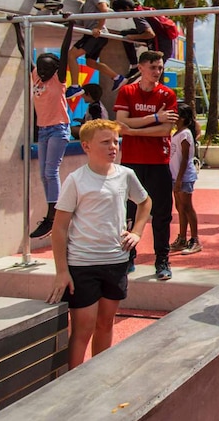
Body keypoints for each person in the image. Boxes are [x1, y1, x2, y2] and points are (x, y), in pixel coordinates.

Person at [46, 119, 151, 369]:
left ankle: (97, 377)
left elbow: (145, 203)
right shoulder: (76, 179)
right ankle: (72, 383)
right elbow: (59, 228)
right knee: (83, 328)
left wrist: (136, 232)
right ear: (86, 146)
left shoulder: (126, 175)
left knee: (105, 324)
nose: (113, 147)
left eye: (116, 141)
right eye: (105, 142)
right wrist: (62, 271)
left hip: (115, 261)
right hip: (82, 264)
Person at [114, 50, 177, 281]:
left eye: (160, 68)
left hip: (159, 162)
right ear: (140, 68)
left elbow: (165, 131)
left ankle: (162, 260)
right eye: (153, 68)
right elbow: (120, 124)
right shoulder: (127, 91)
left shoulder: (167, 94)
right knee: (128, 213)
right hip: (131, 164)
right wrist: (154, 118)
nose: (157, 72)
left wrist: (134, 128)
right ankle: (128, 257)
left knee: (162, 215)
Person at [29, 21, 75, 239]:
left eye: (48, 69)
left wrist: (70, 25)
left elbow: (64, 51)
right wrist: (18, 29)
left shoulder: (59, 79)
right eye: (41, 68)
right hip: (43, 129)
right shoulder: (36, 76)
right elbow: (23, 53)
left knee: (50, 171)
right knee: (42, 174)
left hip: (58, 128)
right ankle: (50, 215)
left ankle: (52, 215)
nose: (44, 72)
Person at [66, 0, 126, 99]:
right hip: (95, 34)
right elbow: (82, 22)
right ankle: (116, 77)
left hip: (95, 34)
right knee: (90, 62)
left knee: (71, 55)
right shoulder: (85, 4)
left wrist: (99, 27)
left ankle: (75, 86)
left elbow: (104, 10)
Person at [110, 0, 173, 83]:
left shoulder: (137, 15)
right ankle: (135, 66)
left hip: (160, 45)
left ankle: (135, 66)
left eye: (120, 12)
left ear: (126, 8)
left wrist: (132, 37)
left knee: (156, 72)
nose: (121, 16)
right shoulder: (141, 10)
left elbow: (150, 34)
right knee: (125, 34)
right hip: (163, 43)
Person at [169, 103, 202, 254]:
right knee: (180, 207)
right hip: (176, 175)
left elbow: (184, 158)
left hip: (183, 176)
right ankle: (182, 238)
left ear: (182, 118)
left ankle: (195, 239)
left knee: (187, 207)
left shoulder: (185, 134)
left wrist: (180, 179)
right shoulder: (177, 132)